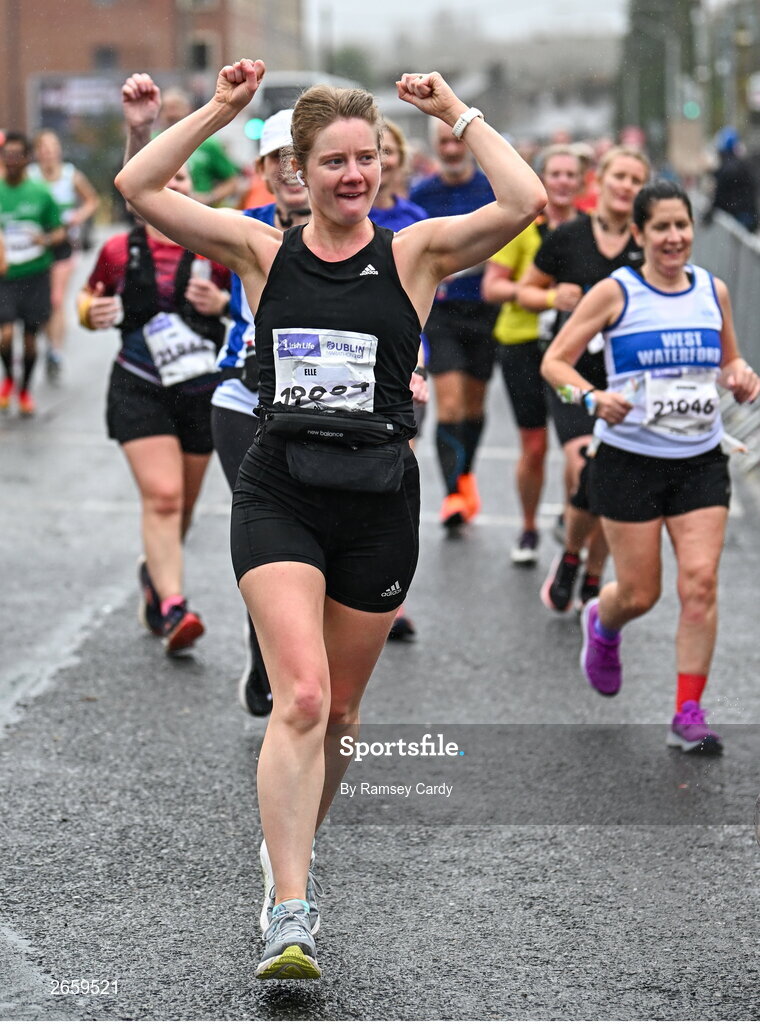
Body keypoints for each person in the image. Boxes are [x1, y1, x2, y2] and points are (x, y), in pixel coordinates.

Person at [115, 57, 546, 979]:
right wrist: (224, 109)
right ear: (298, 176)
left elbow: (524, 198)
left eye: (365, 160)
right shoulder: (263, 254)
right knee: (302, 694)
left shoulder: (415, 253)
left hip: (378, 498)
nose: (353, 177)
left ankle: (286, 852)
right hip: (281, 491)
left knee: (343, 708)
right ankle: (291, 910)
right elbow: (138, 185)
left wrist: (456, 110)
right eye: (333, 163)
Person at [541, 179, 759, 753]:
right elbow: (555, 363)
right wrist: (590, 399)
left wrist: (740, 377)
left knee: (701, 584)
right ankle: (602, 623)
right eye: (660, 227)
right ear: (638, 234)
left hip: (699, 462)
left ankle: (688, 712)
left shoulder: (712, 291)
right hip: (629, 462)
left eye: (681, 225)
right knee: (640, 594)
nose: (673, 237)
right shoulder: (617, 292)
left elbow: (731, 359)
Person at [80, 81, 231, 655]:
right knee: (163, 498)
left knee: (183, 506)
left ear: (195, 195)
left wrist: (224, 306)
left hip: (200, 387)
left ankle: (156, 577)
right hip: (138, 383)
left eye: (182, 179)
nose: (170, 184)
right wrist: (90, 314)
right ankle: (173, 606)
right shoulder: (121, 250)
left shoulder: (219, 246)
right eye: (160, 177)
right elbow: (89, 302)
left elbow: (253, 303)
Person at [518, 146, 649, 611]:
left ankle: (591, 573)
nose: (626, 186)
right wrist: (554, 296)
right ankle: (573, 555)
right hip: (570, 372)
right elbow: (526, 290)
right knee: (583, 465)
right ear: (602, 180)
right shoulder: (568, 236)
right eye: (619, 176)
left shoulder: (646, 244)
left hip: (628, 379)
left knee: (612, 476)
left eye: (636, 179)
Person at [481, 144, 583, 564]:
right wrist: (542, 296)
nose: (562, 181)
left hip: (575, 347)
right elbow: (493, 287)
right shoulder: (524, 228)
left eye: (570, 174)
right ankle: (527, 527)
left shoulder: (589, 232)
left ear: (582, 182)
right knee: (535, 445)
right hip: (522, 343)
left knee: (579, 444)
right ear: (541, 179)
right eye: (554, 174)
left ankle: (573, 521)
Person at [409, 113, 499, 530]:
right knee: (450, 401)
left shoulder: (489, 189)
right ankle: (452, 494)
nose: (450, 148)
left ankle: (466, 473)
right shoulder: (423, 194)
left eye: (456, 141)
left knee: (474, 405)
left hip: (484, 310)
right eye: (442, 142)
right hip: (440, 313)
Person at [370, 119, 430, 641]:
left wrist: (417, 365)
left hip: (403, 373)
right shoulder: (342, 216)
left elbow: (418, 310)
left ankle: (391, 595)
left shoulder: (412, 223)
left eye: (384, 152)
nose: (377, 163)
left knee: (392, 479)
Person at [0, 132, 65, 416]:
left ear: (27, 159)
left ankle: (24, 388)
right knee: (5, 335)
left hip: (35, 274)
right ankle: (9, 379)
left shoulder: (40, 193)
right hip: (5, 276)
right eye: (7, 155)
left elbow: (60, 231)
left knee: (29, 339)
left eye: (17, 155)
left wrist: (46, 241)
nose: (12, 160)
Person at [28, 130, 100, 380]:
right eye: (43, 148)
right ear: (37, 153)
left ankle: (55, 351)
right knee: (43, 301)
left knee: (56, 299)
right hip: (36, 245)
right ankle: (48, 342)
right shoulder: (30, 176)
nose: (47, 152)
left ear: (58, 150)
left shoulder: (71, 175)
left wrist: (77, 217)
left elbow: (92, 200)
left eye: (52, 147)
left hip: (65, 243)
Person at [159, 87, 241, 206]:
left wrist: (209, 198)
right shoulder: (154, 142)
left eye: (176, 107)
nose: (171, 114)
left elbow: (232, 182)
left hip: (200, 212)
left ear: (188, 110)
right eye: (166, 109)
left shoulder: (207, 143)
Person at [704, 126, 758, 234]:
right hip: (749, 218)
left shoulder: (728, 169)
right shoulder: (743, 165)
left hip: (740, 219)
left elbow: (720, 196)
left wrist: (708, 214)